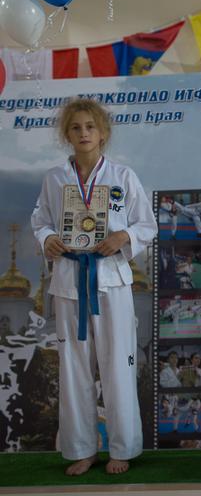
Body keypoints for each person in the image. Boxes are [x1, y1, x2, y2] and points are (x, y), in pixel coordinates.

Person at [30, 98, 157, 474]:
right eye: (76, 127)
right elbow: (40, 220)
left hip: (111, 281)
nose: (83, 133)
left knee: (118, 366)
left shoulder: (122, 176)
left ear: (103, 133)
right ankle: (82, 449)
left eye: (90, 126)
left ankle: (122, 448)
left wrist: (124, 237)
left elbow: (146, 224)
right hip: (70, 281)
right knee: (74, 370)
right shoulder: (55, 179)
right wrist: (48, 238)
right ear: (66, 135)